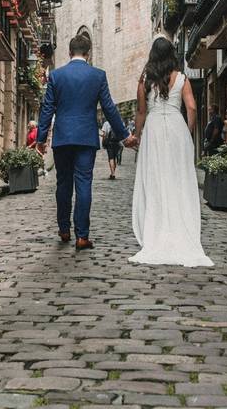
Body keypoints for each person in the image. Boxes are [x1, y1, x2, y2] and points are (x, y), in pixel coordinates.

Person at [36, 34, 137, 251]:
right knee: (83, 184)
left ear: (69, 52)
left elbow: (47, 108)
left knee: (63, 184)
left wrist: (41, 138)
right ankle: (82, 235)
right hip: (86, 139)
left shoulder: (57, 76)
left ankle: (64, 229)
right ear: (88, 54)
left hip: (63, 138)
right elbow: (109, 108)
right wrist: (124, 135)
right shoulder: (97, 75)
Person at [129, 37, 213, 267]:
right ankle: (180, 226)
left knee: (156, 179)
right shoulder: (183, 79)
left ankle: (156, 229)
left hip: (154, 129)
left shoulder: (145, 80)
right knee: (179, 180)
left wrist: (137, 135)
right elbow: (192, 107)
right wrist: (188, 131)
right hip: (177, 128)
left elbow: (141, 111)